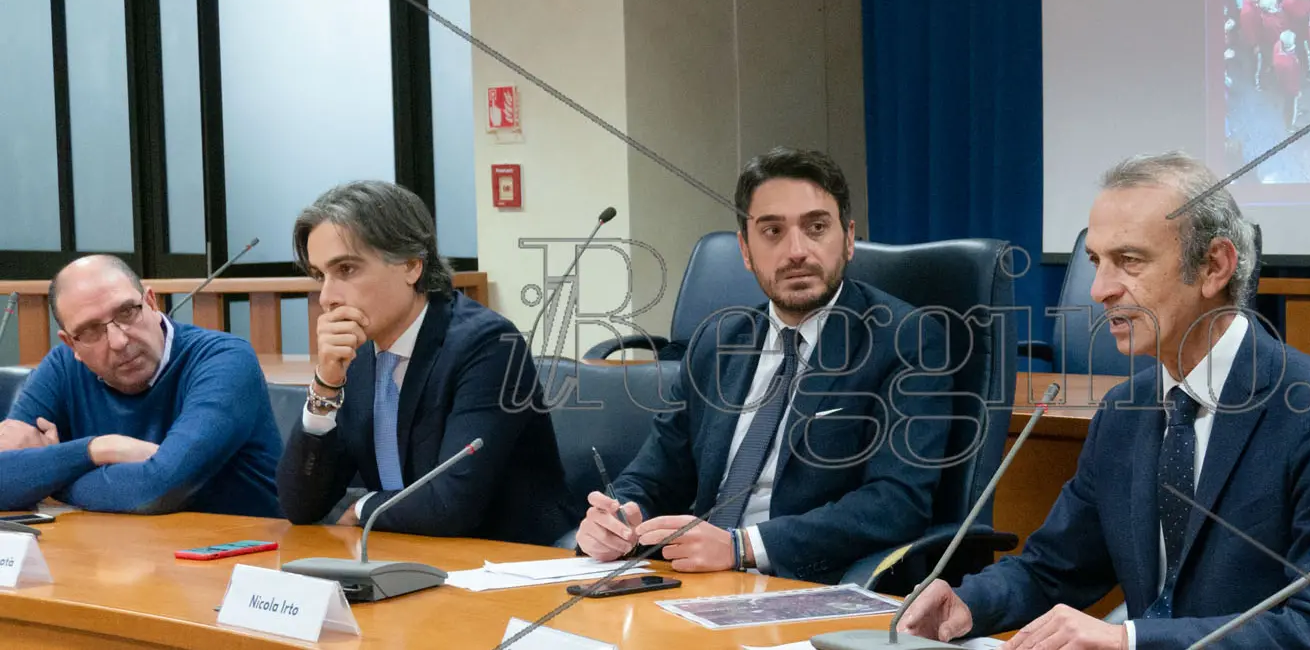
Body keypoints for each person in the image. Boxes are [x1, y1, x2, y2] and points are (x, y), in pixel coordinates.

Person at [900, 152, 1310, 650]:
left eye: (1129, 261)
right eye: (1096, 261)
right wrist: (969, 604)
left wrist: (1131, 641)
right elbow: (1054, 568)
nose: (1099, 290)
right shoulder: (1124, 412)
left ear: (1214, 266)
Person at [577, 147, 953, 584]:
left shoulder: (906, 340)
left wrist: (743, 547)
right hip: (697, 581)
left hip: (811, 585)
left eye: (816, 227)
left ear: (848, 239)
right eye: (772, 231)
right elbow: (656, 471)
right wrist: (617, 514)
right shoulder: (717, 341)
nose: (797, 250)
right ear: (746, 249)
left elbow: (896, 503)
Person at [277, 181, 576, 546]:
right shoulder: (354, 354)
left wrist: (361, 507)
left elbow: (451, 505)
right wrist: (325, 383)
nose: (327, 297)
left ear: (411, 265)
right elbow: (300, 505)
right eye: (320, 275)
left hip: (506, 563)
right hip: (404, 554)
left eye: (347, 270)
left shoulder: (489, 345)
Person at [0, 256, 281, 516]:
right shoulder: (62, 367)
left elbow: (160, 488)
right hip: (125, 555)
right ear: (71, 343)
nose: (119, 341)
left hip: (241, 551)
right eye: (90, 330)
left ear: (151, 303)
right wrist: (98, 449)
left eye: (126, 312)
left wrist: (49, 478)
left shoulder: (223, 359)